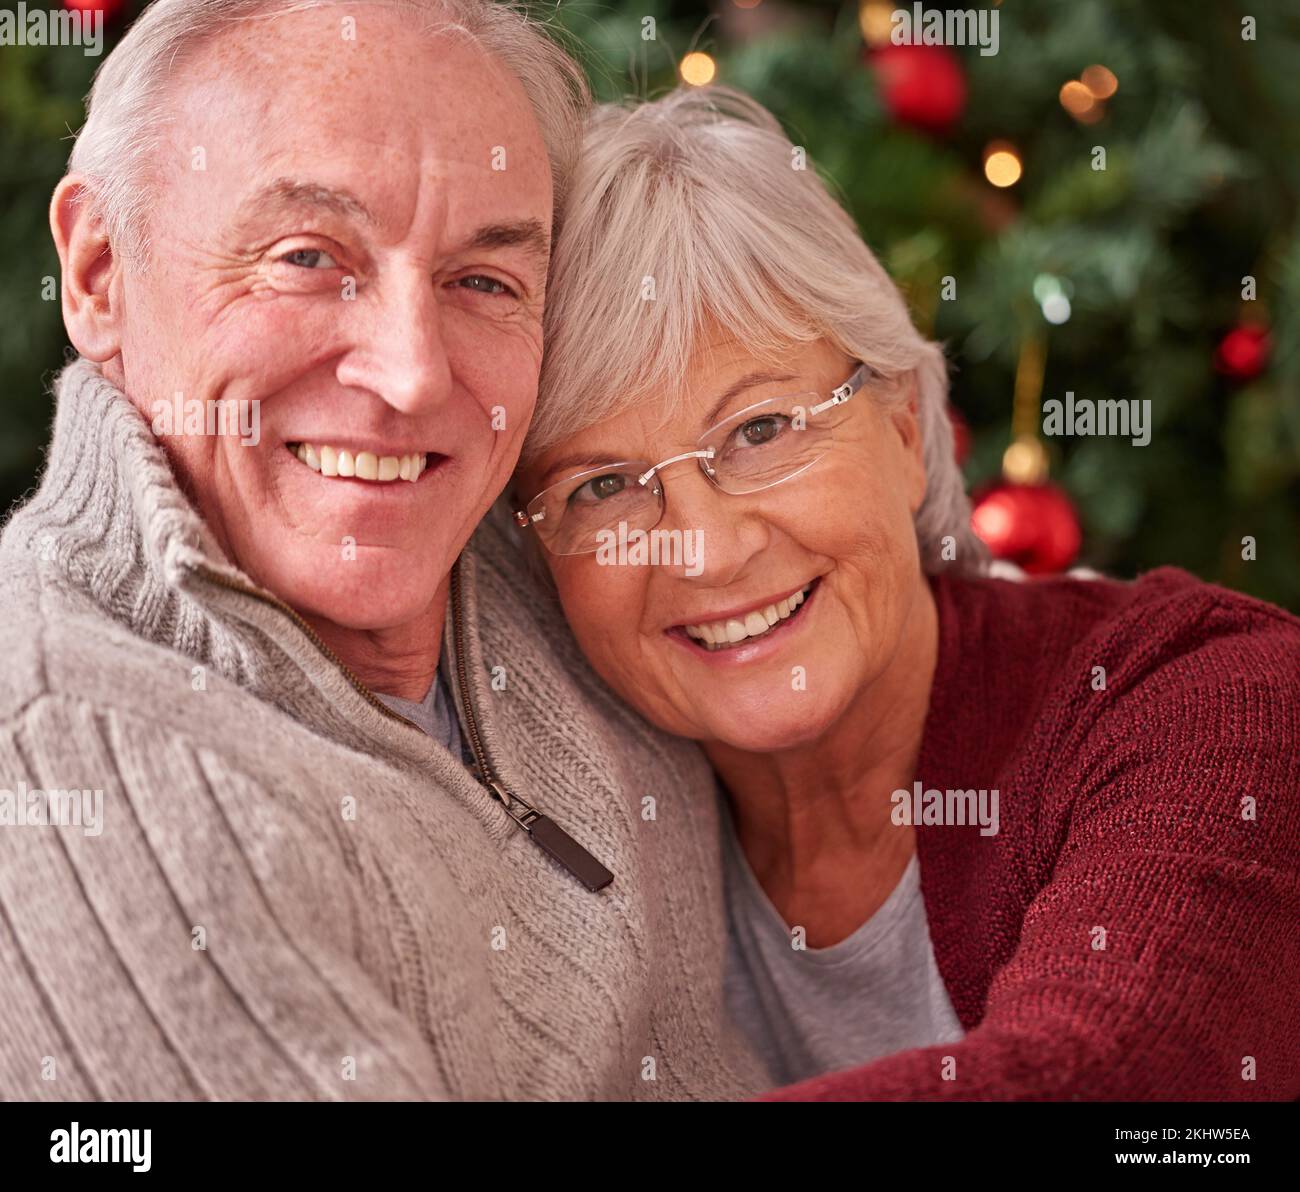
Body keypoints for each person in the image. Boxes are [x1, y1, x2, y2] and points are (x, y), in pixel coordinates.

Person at [0, 2, 766, 1101]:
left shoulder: (555, 528)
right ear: (100, 273)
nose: (412, 375)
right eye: (308, 257)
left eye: (483, 281)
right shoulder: (82, 774)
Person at [514, 86, 1300, 1100]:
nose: (705, 550)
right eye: (602, 485)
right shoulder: (575, 825)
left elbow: (1115, 1087)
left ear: (897, 427)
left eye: (761, 430)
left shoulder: (1206, 696)